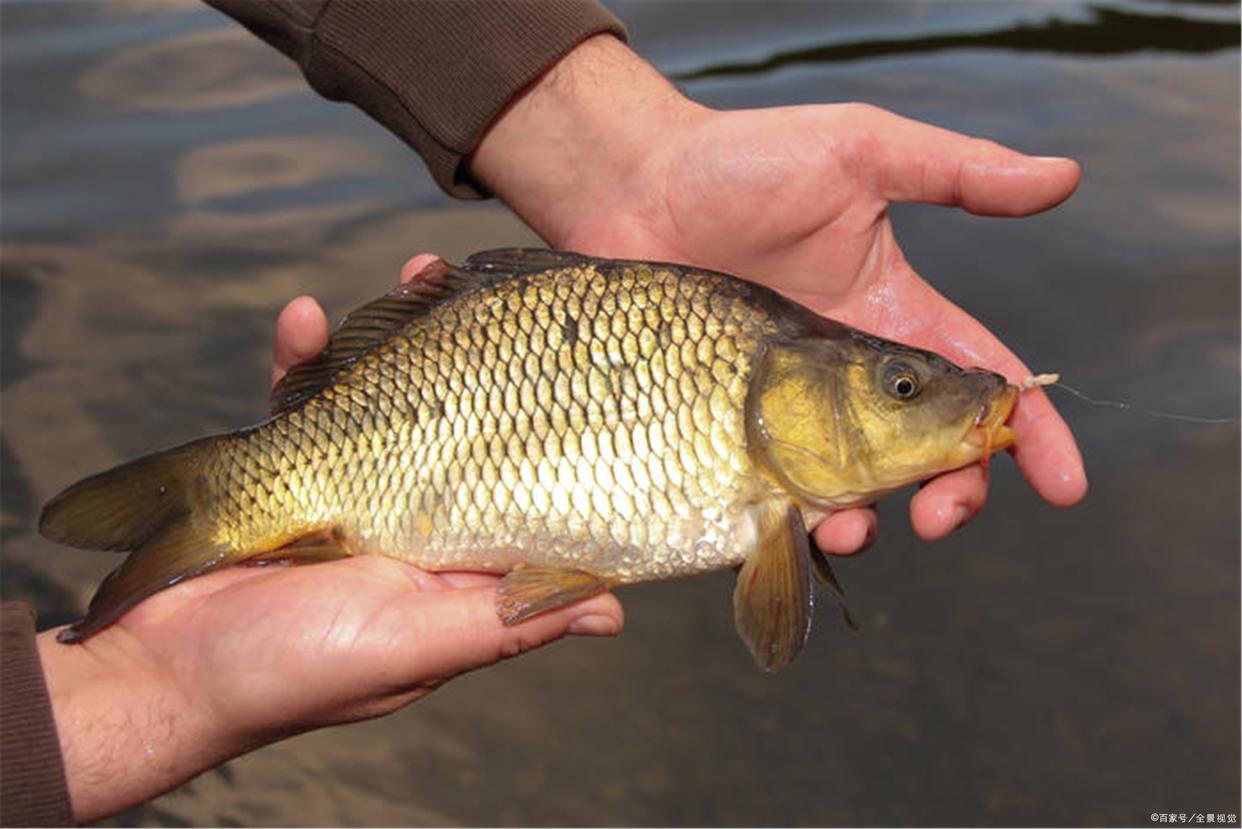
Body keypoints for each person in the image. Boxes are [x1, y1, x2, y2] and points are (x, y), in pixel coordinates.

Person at [0, 2, 1086, 824]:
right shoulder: (762, 458)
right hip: (385, 448)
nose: (925, 396)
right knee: (257, 493)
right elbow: (771, 625)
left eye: (905, 388)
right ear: (789, 394)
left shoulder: (764, 417)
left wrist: (148, 693)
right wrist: (146, 692)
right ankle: (206, 516)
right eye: (901, 387)